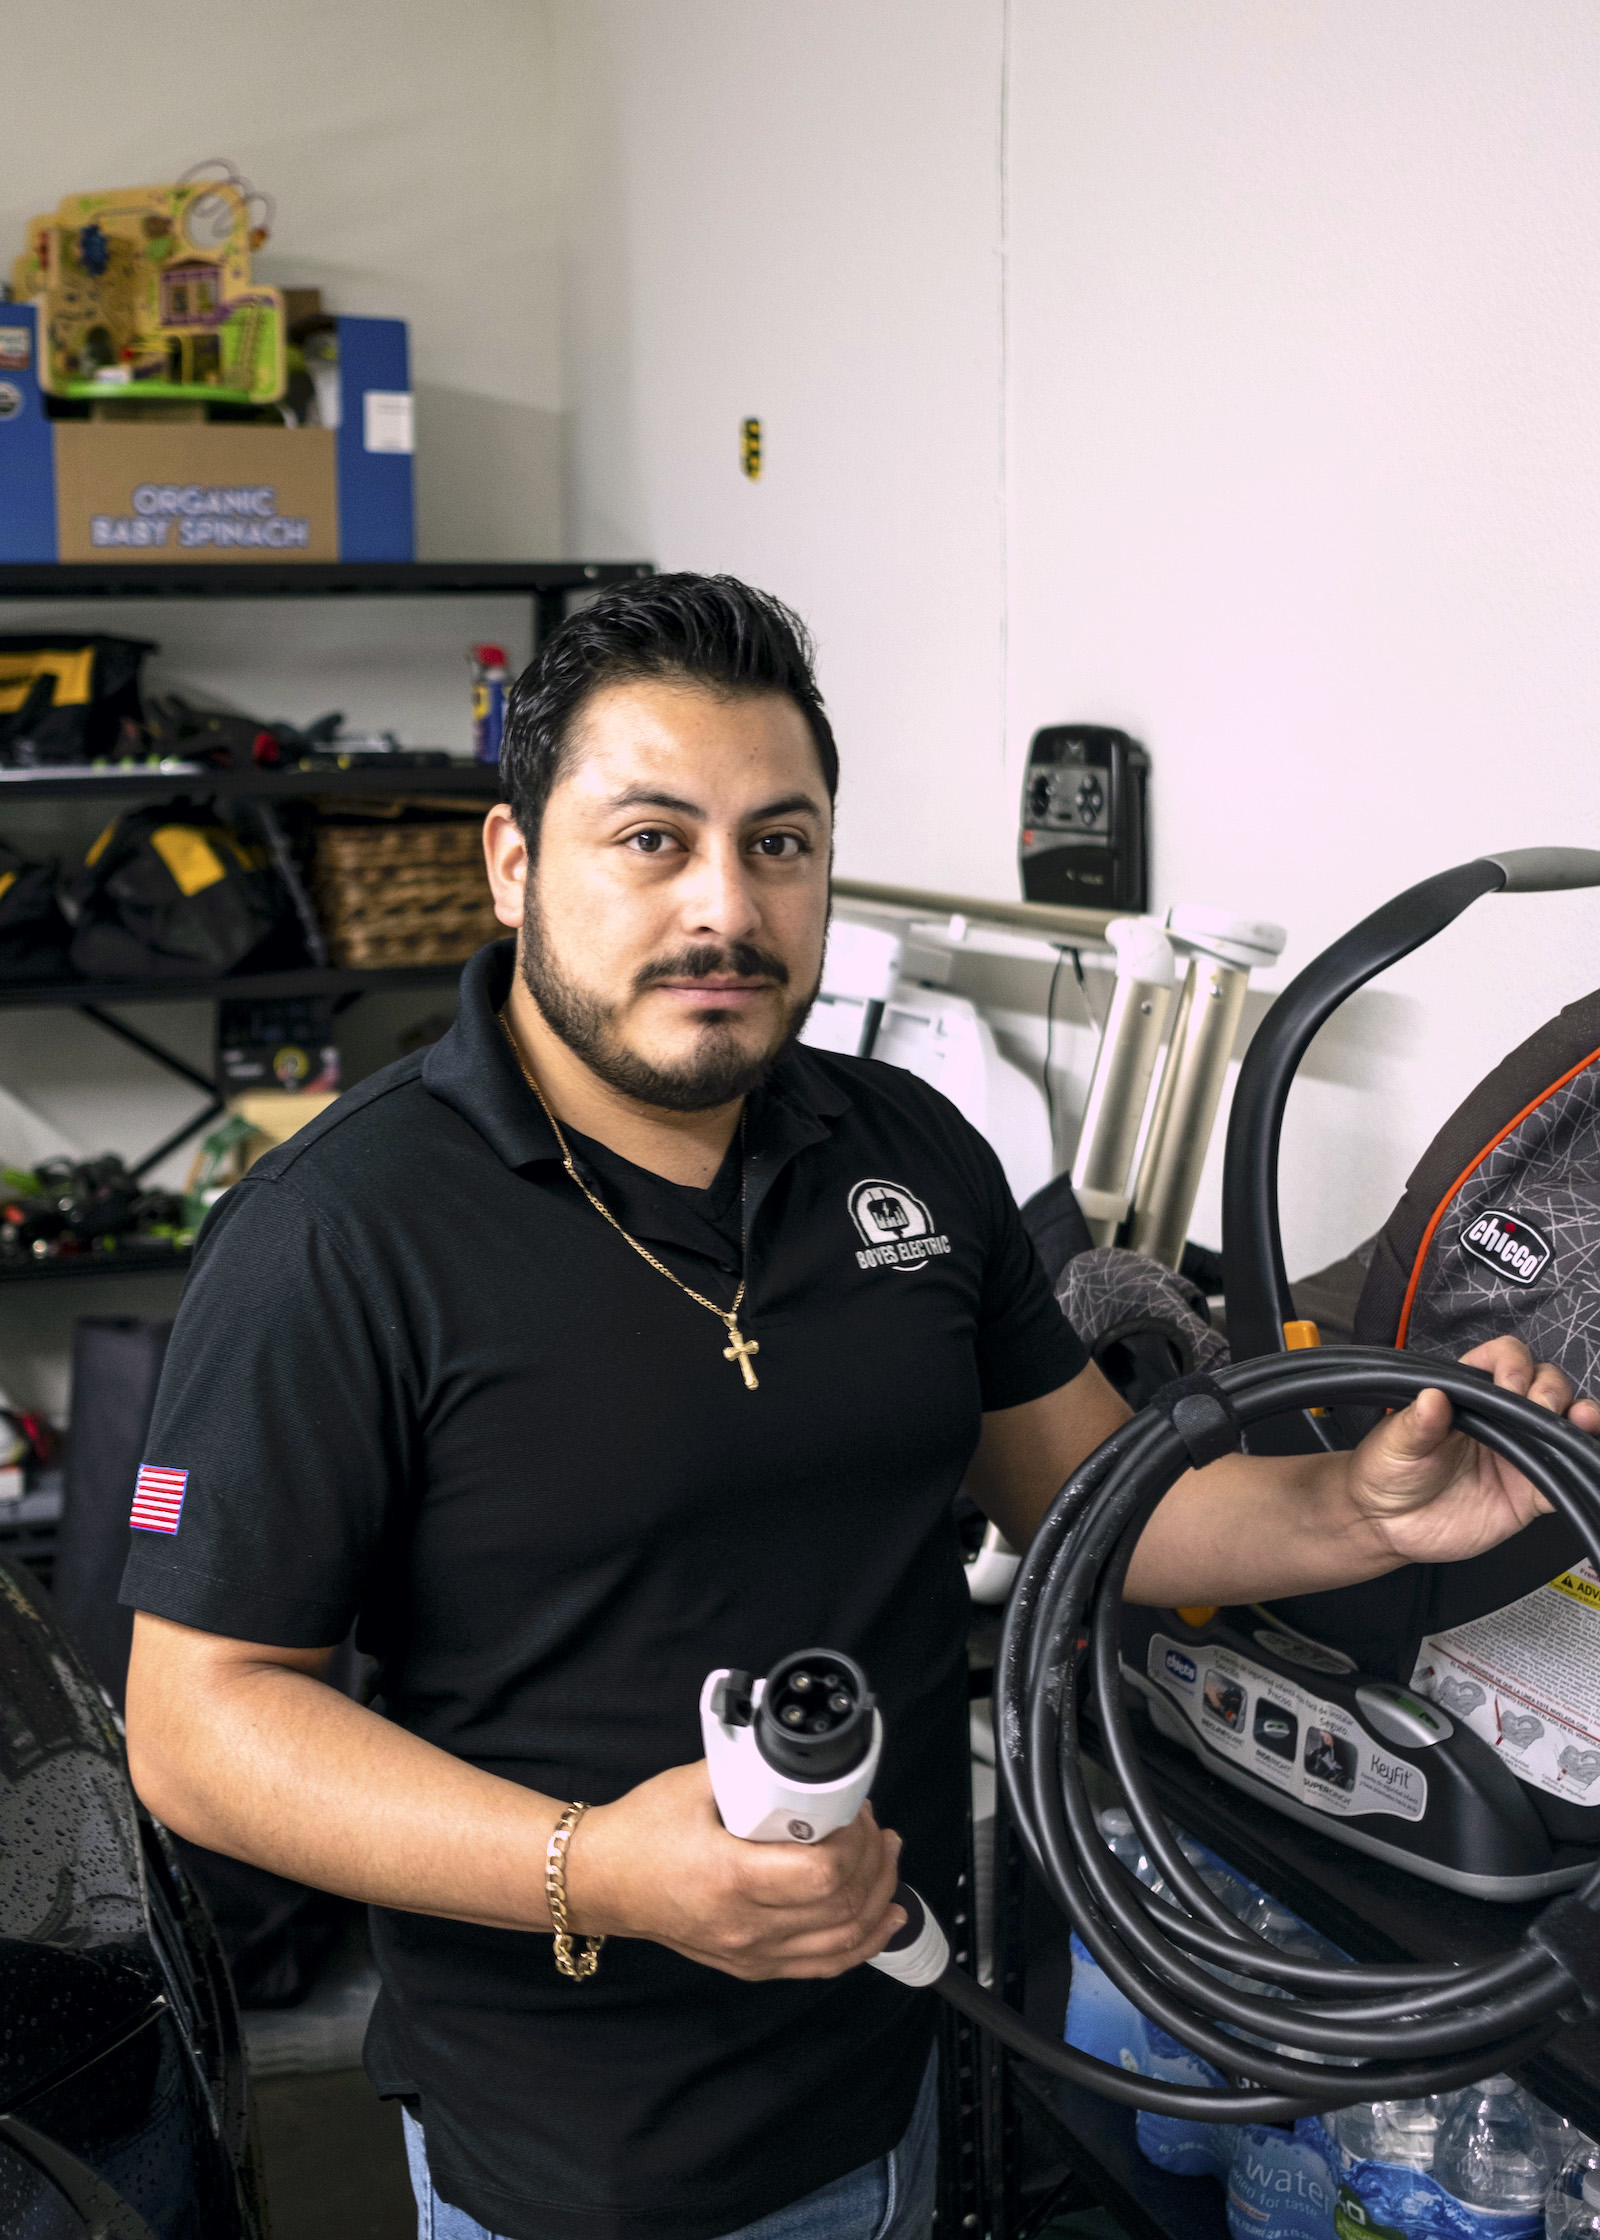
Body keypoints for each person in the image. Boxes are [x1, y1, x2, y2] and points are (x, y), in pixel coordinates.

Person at [122, 574, 1598, 2240]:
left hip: (885, 2062)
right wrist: (595, 1869)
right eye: (651, 839)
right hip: (576, 2153)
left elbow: (1092, 1508)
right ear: (515, 862)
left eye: (779, 843)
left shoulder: (909, 1154)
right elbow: (200, 1727)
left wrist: (1361, 1512)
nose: (725, 908)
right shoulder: (340, 1230)